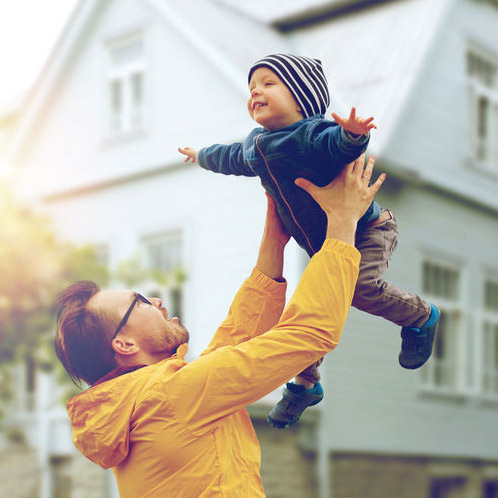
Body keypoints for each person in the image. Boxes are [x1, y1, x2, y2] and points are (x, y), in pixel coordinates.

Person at [55, 155, 383, 497]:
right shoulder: (170, 396)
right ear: (124, 345)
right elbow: (311, 332)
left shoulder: (142, 404)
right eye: (139, 301)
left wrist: (274, 233)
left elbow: (234, 342)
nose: (156, 301)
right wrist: (343, 219)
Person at [178, 53, 440, 428]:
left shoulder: (311, 133)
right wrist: (202, 155)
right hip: (326, 247)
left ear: (302, 97)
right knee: (307, 311)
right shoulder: (255, 144)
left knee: (360, 289)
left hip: (368, 229)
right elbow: (230, 156)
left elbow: (337, 144)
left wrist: (353, 134)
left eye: (268, 83)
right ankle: (305, 385)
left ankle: (420, 316)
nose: (255, 92)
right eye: (251, 87)